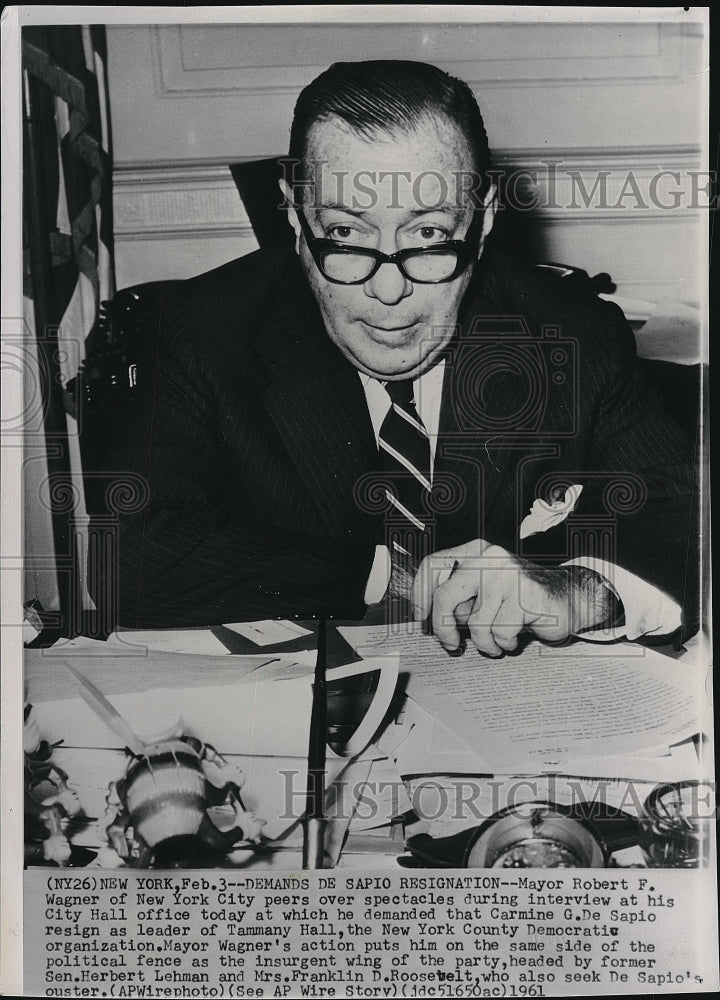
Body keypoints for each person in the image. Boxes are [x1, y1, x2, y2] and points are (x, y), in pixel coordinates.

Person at [90, 60, 697, 654]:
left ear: (483, 219)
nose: (387, 290)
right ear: (295, 215)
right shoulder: (199, 331)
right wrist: (392, 581)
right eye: (346, 235)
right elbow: (133, 556)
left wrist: (575, 591)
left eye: (429, 235)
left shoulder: (573, 332)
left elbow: (683, 514)